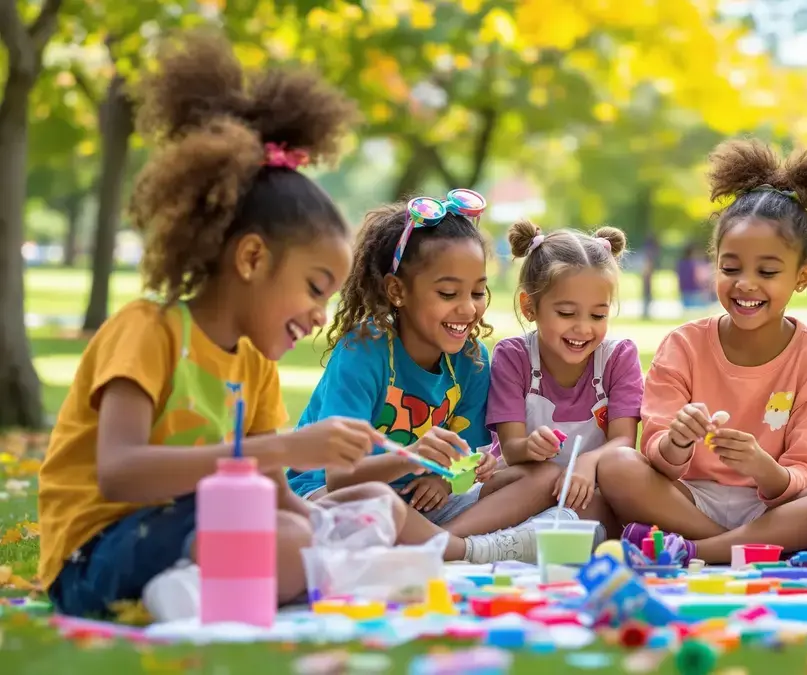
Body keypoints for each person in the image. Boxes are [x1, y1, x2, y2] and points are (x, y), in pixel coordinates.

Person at [37, 30, 408, 619]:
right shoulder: (149, 330)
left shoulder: (254, 366)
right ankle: (245, 583)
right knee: (284, 537)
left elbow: (282, 497)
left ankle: (251, 579)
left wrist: (329, 519)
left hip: (207, 530)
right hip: (99, 554)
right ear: (253, 258)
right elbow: (119, 472)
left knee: (374, 506)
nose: (318, 315)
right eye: (314, 288)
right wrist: (284, 449)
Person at [596, 139, 807, 564]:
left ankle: (696, 552)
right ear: (715, 265)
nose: (745, 283)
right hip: (687, 500)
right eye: (730, 268)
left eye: (767, 271)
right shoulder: (684, 344)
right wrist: (677, 440)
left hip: (773, 506)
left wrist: (763, 467)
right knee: (616, 465)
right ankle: (753, 550)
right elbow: (654, 450)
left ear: (802, 277)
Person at [287, 202, 569, 564]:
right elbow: (341, 478)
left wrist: (448, 479)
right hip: (331, 497)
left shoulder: (472, 359)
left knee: (544, 475)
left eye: (478, 292)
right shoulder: (365, 351)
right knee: (377, 500)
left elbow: (469, 463)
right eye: (449, 294)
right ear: (397, 291)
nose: (468, 309)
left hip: (418, 504)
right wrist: (412, 458)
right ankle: (469, 550)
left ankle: (436, 542)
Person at [485, 221, 644, 546]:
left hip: (588, 492)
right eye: (567, 313)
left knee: (602, 506)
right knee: (504, 486)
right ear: (530, 307)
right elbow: (513, 450)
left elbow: (624, 441)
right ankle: (489, 541)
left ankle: (499, 545)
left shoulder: (617, 358)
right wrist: (530, 447)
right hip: (528, 483)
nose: (583, 328)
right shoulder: (514, 357)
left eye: (598, 316)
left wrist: (589, 461)